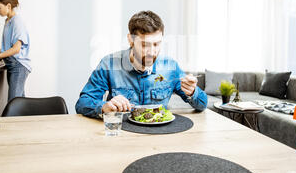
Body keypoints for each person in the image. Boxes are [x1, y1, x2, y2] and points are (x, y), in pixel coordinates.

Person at [75, 10, 207, 118]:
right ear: (130, 40)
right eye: (145, 45)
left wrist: (192, 92)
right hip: (123, 136)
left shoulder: (170, 67)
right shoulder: (109, 63)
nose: (152, 52)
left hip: (159, 135)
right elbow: (82, 104)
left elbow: (202, 104)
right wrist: (104, 106)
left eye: (157, 44)